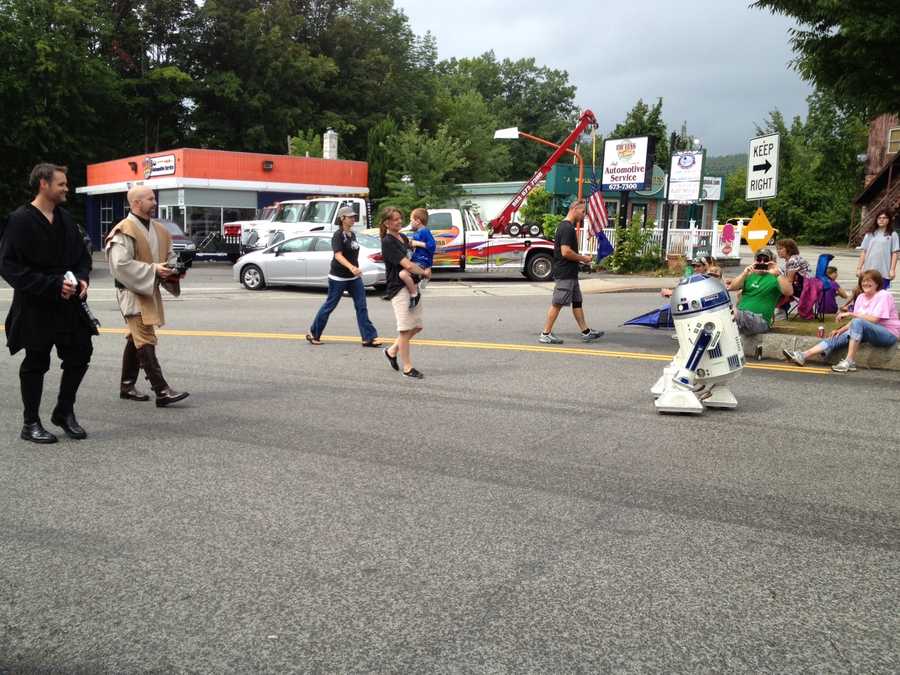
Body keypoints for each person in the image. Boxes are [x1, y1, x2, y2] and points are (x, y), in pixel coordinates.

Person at [0, 164, 94, 443]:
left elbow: (81, 256)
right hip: (36, 305)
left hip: (69, 305)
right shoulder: (19, 220)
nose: (67, 189)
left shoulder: (65, 218)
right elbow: (8, 266)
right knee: (36, 361)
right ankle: (30, 423)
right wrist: (52, 285)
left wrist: (82, 278)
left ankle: (64, 411)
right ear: (44, 184)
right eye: (62, 184)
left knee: (81, 352)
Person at [105, 185, 189, 407]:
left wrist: (175, 269)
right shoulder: (123, 230)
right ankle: (161, 390)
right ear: (136, 203)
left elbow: (169, 258)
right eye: (150, 199)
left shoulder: (160, 230)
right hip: (131, 292)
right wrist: (154, 270)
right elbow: (120, 265)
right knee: (145, 337)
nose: (155, 202)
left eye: (154, 198)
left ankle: (126, 386)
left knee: (135, 338)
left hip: (149, 290)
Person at [783, 269, 899, 372]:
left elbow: (874, 319)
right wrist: (841, 329)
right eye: (863, 281)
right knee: (838, 334)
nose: (865, 283)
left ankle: (849, 361)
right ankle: (803, 355)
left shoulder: (884, 295)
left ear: (877, 283)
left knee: (857, 323)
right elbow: (857, 321)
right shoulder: (861, 297)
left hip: (888, 334)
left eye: (869, 281)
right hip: (869, 331)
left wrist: (850, 313)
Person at [306, 206, 379, 347]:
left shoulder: (352, 234)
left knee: (361, 306)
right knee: (330, 306)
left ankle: (368, 338)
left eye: (354, 216)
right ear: (342, 218)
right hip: (338, 278)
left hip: (353, 278)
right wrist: (352, 267)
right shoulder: (338, 235)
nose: (353, 219)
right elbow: (338, 255)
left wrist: (355, 268)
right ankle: (313, 333)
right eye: (350, 217)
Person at [538, 199, 604, 344]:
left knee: (577, 302)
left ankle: (586, 332)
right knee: (558, 303)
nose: (584, 215)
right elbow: (566, 252)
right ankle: (545, 333)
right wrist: (583, 259)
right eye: (583, 212)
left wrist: (581, 261)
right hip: (565, 273)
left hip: (570, 273)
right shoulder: (566, 228)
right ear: (574, 208)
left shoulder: (566, 227)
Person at [380, 207, 431, 379]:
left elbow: (418, 252)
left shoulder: (402, 237)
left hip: (411, 285)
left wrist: (428, 263)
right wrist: (423, 272)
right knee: (404, 330)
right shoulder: (388, 241)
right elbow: (407, 265)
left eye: (400, 218)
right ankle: (408, 368)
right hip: (399, 287)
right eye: (395, 219)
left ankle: (392, 351)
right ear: (387, 223)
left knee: (417, 326)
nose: (399, 221)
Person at [728, 247, 793, 335]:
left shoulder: (776, 278)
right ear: (755, 261)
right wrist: (745, 273)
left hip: (760, 320)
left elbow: (789, 292)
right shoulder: (749, 275)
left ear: (771, 261)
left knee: (731, 312)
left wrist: (778, 273)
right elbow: (732, 287)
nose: (762, 262)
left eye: (765, 259)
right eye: (759, 259)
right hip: (742, 317)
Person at [398, 207, 435, 307]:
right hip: (418, 260)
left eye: (411, 220)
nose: (410, 223)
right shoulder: (418, 232)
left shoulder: (425, 231)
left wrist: (417, 243)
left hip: (421, 261)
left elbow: (432, 246)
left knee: (403, 274)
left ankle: (414, 293)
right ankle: (422, 279)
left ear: (418, 221)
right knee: (405, 274)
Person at [857, 209, 898, 288]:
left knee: (880, 295)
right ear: (876, 219)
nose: (881, 220)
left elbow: (895, 253)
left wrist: (892, 270)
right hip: (868, 271)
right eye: (879, 218)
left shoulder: (893, 234)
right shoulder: (869, 234)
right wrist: (859, 268)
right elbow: (863, 252)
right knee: (867, 294)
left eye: (884, 218)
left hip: (883, 273)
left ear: (889, 220)